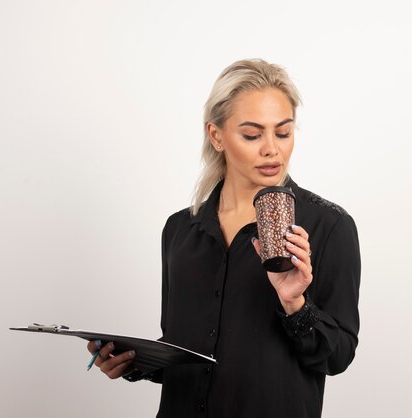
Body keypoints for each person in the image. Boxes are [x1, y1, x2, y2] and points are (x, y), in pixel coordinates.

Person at [87, 59, 361, 418]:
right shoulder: (179, 230)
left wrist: (296, 305)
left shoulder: (329, 226)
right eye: (252, 134)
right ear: (216, 136)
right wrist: (134, 362)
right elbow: (185, 350)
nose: (271, 150)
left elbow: (338, 356)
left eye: (283, 132)